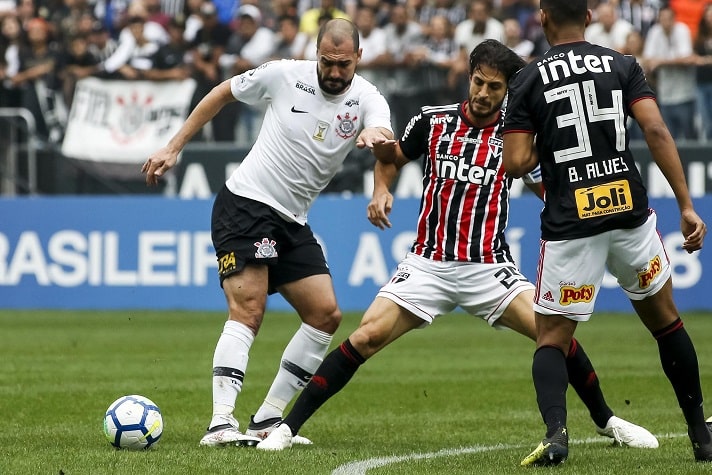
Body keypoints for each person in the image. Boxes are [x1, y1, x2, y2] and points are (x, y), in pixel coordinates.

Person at [255, 39, 659, 452]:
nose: (483, 94)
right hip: (429, 264)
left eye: (495, 88)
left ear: (508, 91)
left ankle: (607, 421)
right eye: (479, 83)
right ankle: (287, 427)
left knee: (553, 336)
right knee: (366, 336)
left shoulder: (517, 137)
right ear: (469, 78)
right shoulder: (432, 122)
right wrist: (380, 191)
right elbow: (392, 157)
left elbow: (548, 189)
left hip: (489, 267)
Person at [141, 18, 394, 447]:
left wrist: (378, 154)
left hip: (293, 220)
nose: (334, 73)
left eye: (343, 65)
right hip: (245, 204)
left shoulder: (368, 97)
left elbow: (386, 138)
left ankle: (267, 419)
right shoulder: (284, 75)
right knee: (249, 310)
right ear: (316, 53)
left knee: (325, 315)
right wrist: (173, 145)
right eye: (327, 63)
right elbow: (222, 92)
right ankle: (221, 423)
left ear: (359, 59)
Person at [501, 0, 708, 466]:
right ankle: (701, 433)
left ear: (543, 17)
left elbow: (515, 162)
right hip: (628, 212)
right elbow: (655, 128)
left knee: (552, 338)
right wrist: (687, 206)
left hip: (572, 220)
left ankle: (557, 434)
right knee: (667, 322)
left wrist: (549, 147)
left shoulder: (528, 79)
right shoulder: (622, 64)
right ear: (589, 18)